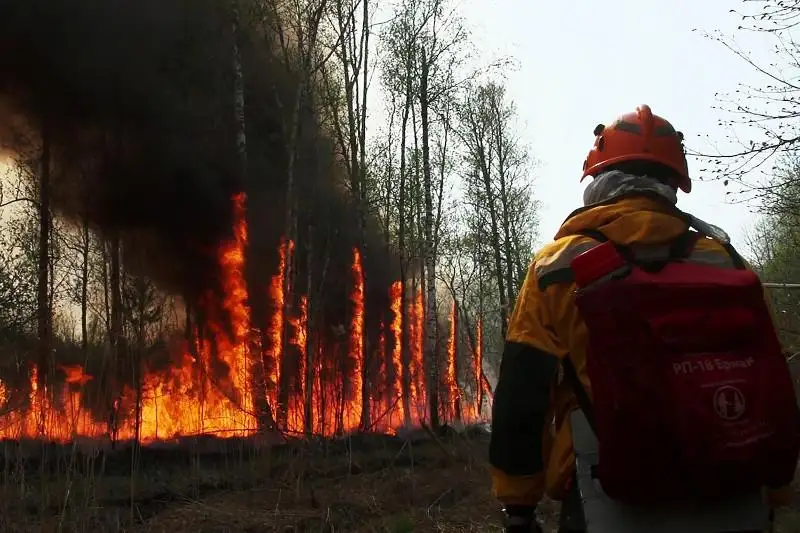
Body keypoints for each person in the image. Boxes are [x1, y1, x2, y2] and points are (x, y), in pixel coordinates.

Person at [488, 105, 799, 533]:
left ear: (599, 181)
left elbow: (523, 395)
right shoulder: (725, 262)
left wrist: (518, 506)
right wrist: (776, 490)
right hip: (734, 492)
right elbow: (767, 378)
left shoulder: (557, 265)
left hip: (604, 500)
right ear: (672, 184)